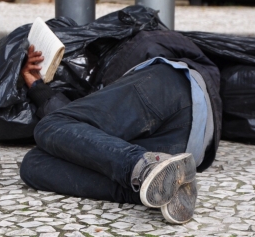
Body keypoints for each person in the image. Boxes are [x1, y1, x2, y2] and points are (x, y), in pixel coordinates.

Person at [19, 30, 222, 224]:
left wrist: (38, 89)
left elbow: (64, 123)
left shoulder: (110, 56)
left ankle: (143, 167)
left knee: (50, 125)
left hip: (171, 87)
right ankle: (162, 188)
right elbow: (75, 134)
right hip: (188, 148)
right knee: (33, 164)